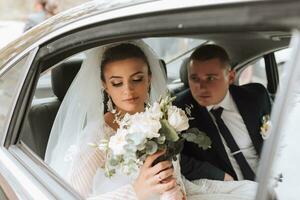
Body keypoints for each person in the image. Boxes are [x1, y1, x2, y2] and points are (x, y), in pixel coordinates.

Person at [45, 41, 259, 200]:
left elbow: (177, 179)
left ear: (149, 79)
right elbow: (68, 196)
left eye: (136, 79)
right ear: (105, 85)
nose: (128, 90)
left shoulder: (160, 121)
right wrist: (135, 192)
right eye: (117, 83)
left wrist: (226, 187)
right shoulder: (98, 135)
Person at [174, 44, 272, 182]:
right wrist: (219, 176)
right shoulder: (178, 111)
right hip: (227, 191)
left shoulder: (256, 97)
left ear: (231, 77)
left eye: (210, 78)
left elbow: (281, 139)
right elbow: (173, 157)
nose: (201, 87)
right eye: (194, 78)